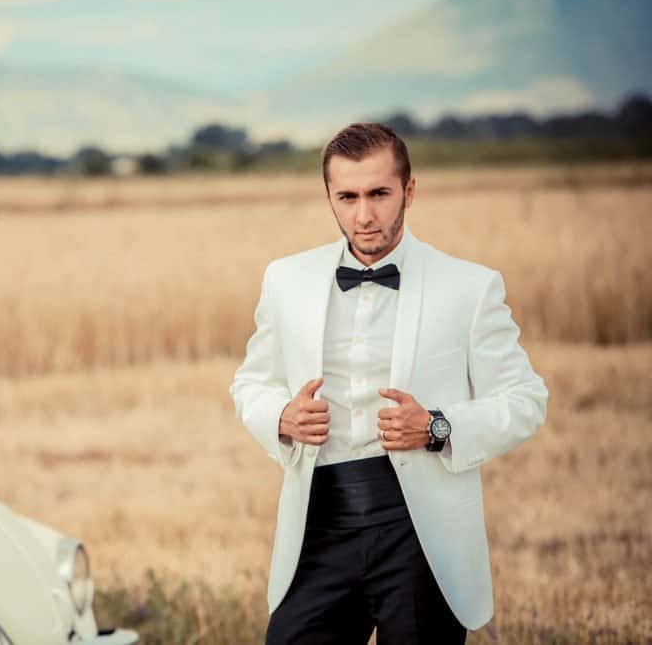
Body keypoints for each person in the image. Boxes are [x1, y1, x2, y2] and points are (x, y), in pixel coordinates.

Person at [229, 122, 548, 644]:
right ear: (328, 197)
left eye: (379, 193)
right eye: (347, 196)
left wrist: (437, 426)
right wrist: (281, 417)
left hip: (421, 535)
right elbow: (251, 383)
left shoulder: (470, 286)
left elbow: (526, 399)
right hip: (318, 527)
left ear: (409, 190)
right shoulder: (285, 280)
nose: (364, 214)